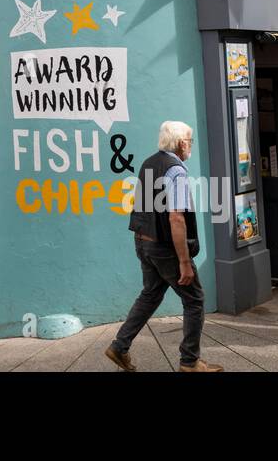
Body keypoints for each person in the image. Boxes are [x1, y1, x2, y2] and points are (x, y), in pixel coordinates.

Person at [105, 121, 222, 373]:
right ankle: (190, 361)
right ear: (181, 143)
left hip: (142, 241)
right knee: (194, 299)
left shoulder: (149, 163)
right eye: (190, 141)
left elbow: (143, 206)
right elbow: (176, 217)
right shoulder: (176, 170)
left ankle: (119, 346)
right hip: (164, 247)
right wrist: (183, 261)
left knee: (151, 294)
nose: (190, 146)